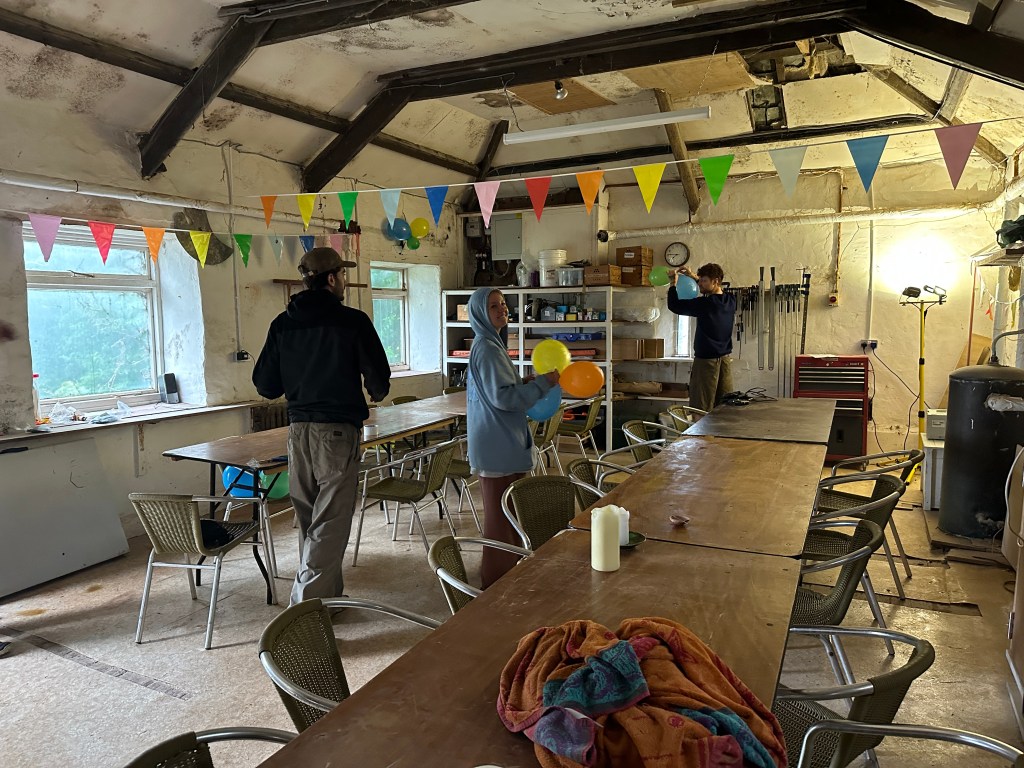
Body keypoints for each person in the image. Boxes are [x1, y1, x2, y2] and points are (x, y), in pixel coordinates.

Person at [253, 247, 391, 606]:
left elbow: (266, 386)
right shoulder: (353, 321)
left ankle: (324, 602)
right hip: (337, 434)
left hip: (298, 432)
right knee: (330, 522)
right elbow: (379, 382)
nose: (344, 280)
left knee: (309, 519)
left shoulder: (282, 324)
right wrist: (373, 390)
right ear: (331, 278)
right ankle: (304, 610)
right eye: (342, 274)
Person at [466, 287, 558, 588]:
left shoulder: (491, 343)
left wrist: (523, 382)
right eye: (493, 306)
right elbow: (504, 399)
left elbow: (501, 389)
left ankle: (508, 577)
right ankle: (494, 586)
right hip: (497, 446)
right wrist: (542, 385)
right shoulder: (488, 348)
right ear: (480, 313)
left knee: (508, 517)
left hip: (499, 443)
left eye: (503, 304)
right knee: (500, 523)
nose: (502, 309)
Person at [667, 263, 736, 412]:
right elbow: (713, 291)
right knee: (724, 407)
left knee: (700, 407)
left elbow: (674, 305)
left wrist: (673, 283)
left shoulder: (705, 304)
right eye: (700, 280)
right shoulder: (730, 300)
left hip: (706, 362)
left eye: (704, 281)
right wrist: (693, 276)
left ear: (715, 281)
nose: (700, 284)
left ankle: (701, 429)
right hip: (724, 360)